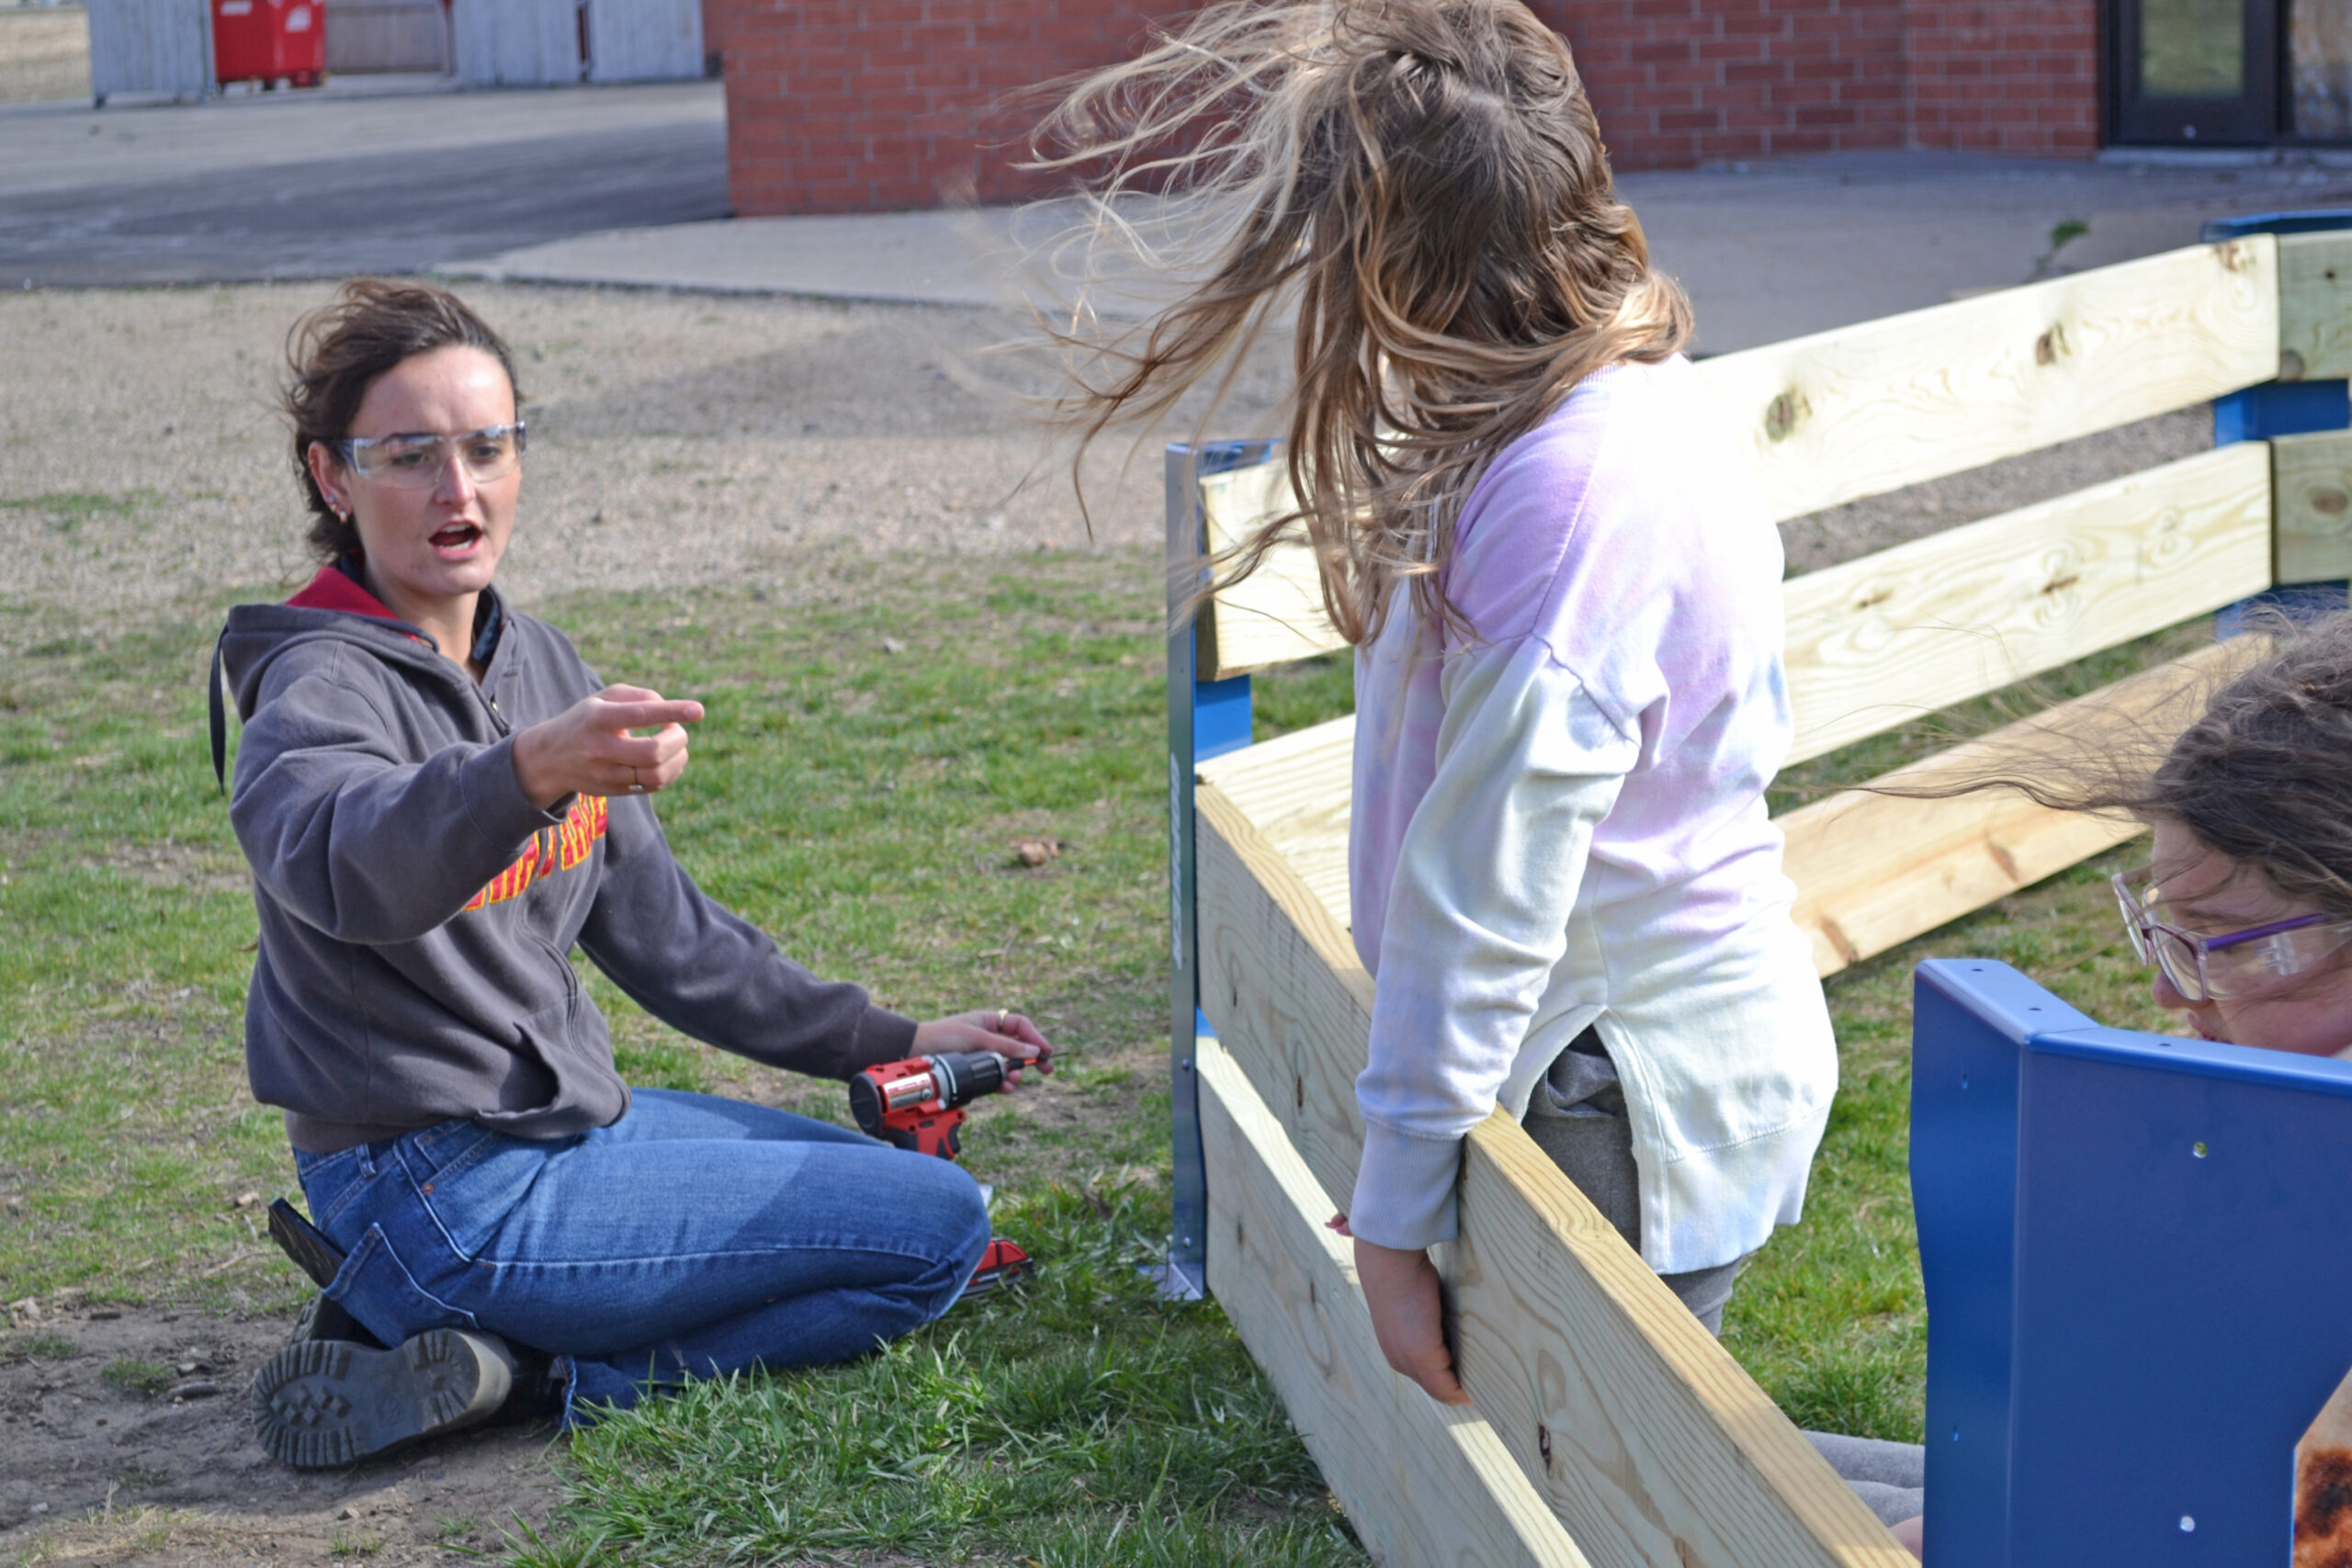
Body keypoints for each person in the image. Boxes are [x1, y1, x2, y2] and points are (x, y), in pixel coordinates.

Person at [1037, 0, 1836, 1390]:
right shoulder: (1608, 403)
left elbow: (1491, 886)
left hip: (1614, 1081)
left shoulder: (1573, 495)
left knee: (1607, 1495)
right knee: (1631, 1476)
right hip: (1642, 1053)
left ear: (1397, 267)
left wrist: (1398, 1213)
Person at [217, 279, 1051, 1470]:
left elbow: (674, 940)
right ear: (332, 477)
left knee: (891, 1194)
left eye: (486, 447)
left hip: (563, 1133)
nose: (458, 491)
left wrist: (890, 1034)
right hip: (422, 1183)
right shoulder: (314, 692)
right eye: (408, 456)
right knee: (935, 1233)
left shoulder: (539, 661)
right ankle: (537, 1371)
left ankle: (447, 1335)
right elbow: (353, 861)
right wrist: (526, 769)